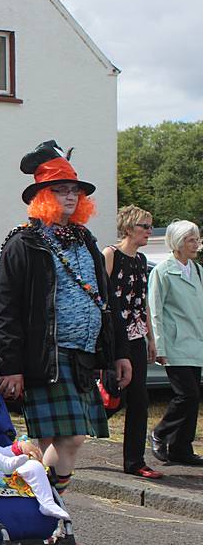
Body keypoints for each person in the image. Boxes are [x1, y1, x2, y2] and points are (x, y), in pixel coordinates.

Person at [0, 141, 131, 516]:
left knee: (50, 442)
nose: (70, 196)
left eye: (75, 190)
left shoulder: (85, 239)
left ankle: (30, 502)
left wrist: (117, 352)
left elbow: (106, 301)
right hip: (47, 357)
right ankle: (48, 515)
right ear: (42, 196)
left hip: (83, 356)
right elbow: (5, 310)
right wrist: (12, 367)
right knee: (68, 439)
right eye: (61, 190)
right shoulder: (23, 243)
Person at [103, 205, 161, 478]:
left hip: (136, 334)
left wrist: (150, 337)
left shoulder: (140, 260)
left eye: (150, 227)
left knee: (140, 397)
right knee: (114, 395)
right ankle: (69, 435)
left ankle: (135, 461)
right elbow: (101, 297)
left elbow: (143, 301)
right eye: (144, 227)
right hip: (115, 334)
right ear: (128, 229)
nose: (149, 232)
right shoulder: (111, 255)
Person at [148, 219, 203, 466]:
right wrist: (159, 346)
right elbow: (155, 310)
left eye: (197, 238)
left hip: (196, 343)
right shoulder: (161, 271)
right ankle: (160, 433)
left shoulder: (199, 270)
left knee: (194, 397)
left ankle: (181, 448)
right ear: (178, 243)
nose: (197, 243)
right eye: (191, 239)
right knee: (187, 395)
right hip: (174, 344)